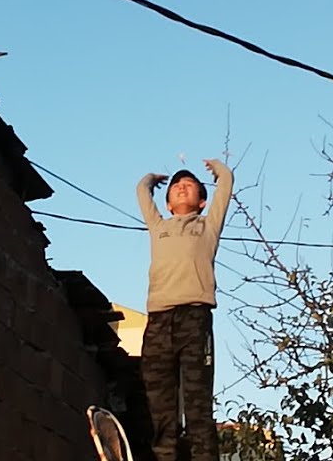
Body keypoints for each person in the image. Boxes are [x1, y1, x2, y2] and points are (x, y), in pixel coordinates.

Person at [136, 158, 233, 461]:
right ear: (167, 204)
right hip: (159, 320)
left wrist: (219, 169)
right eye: (177, 185)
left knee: (197, 404)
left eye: (189, 185)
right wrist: (150, 179)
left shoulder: (207, 226)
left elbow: (226, 186)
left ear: (202, 202)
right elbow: (142, 193)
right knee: (160, 404)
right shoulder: (159, 227)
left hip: (195, 318)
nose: (181, 187)